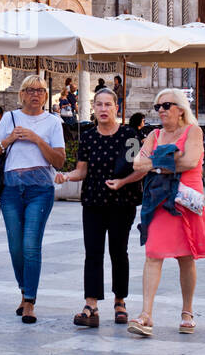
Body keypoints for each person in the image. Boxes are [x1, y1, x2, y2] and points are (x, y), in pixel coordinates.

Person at [55, 88, 145, 328]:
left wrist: (123, 182)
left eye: (108, 104)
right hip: (94, 201)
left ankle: (120, 301)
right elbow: (82, 170)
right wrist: (66, 176)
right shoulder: (89, 136)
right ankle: (91, 304)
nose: (103, 109)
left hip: (122, 202)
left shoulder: (129, 135)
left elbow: (141, 168)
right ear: (93, 108)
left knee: (119, 252)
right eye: (99, 104)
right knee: (92, 252)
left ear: (117, 107)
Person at [0, 75, 67, 324]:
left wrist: (37, 139)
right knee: (15, 246)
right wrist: (9, 138)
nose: (36, 94)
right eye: (30, 90)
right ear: (22, 94)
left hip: (39, 190)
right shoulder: (9, 118)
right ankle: (23, 290)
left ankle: (29, 300)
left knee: (31, 244)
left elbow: (60, 161)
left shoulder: (53, 122)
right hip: (11, 189)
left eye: (40, 91)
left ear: (45, 95)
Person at [127, 89, 205, 337]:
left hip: (184, 201)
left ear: (181, 109)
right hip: (159, 201)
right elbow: (137, 164)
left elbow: (191, 161)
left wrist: (156, 162)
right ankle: (146, 314)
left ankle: (187, 311)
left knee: (186, 257)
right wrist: (169, 159)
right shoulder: (154, 134)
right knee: (153, 254)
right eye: (157, 107)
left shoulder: (193, 131)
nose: (161, 110)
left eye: (166, 105)